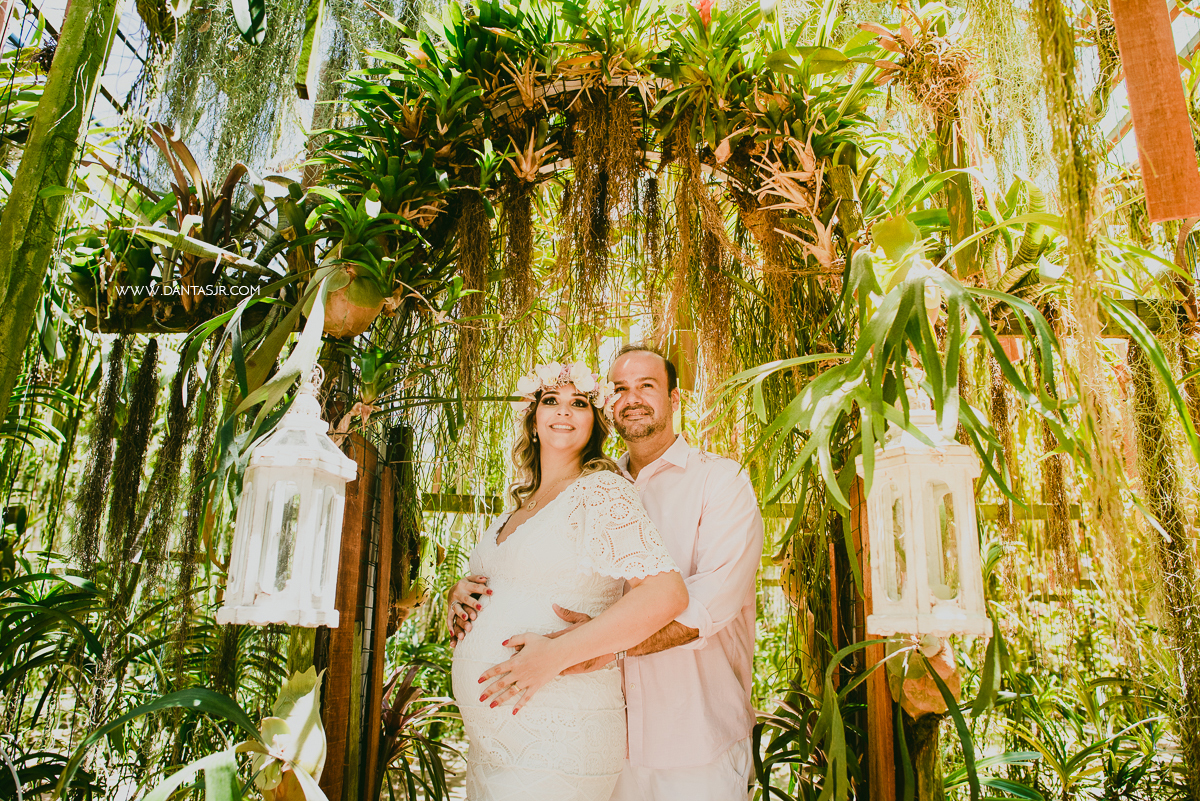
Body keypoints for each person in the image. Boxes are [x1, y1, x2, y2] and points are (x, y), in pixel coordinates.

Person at [452, 346, 765, 801]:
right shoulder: (585, 482)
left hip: (692, 735)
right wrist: (466, 592)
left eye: (647, 386)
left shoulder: (720, 482)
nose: (632, 397)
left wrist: (590, 649)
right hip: (602, 734)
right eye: (619, 388)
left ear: (675, 399)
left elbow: (711, 600)